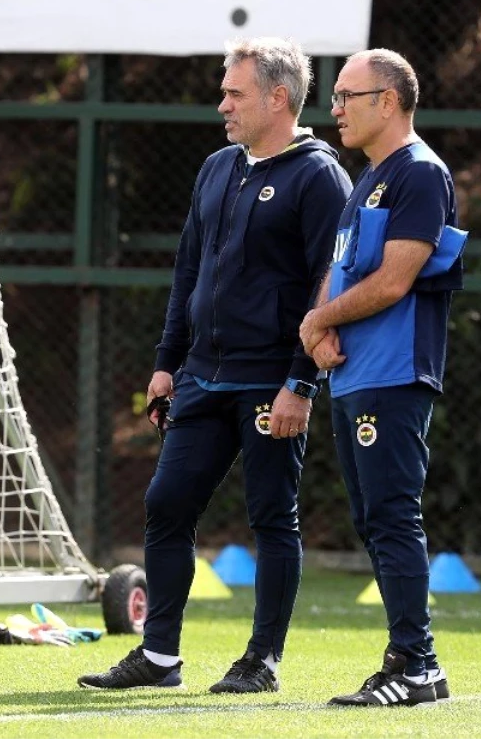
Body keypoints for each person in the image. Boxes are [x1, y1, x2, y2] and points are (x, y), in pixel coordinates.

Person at [78, 38, 351, 693]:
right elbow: (188, 272)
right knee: (166, 502)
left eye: (235, 93)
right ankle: (160, 658)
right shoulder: (216, 168)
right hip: (202, 373)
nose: (221, 104)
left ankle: (262, 661)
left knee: (269, 516)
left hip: (270, 380)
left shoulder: (319, 177)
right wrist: (167, 362)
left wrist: (299, 382)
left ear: (278, 98)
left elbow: (328, 286)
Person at [299, 48, 465, 707]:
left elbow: (394, 281)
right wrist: (322, 328)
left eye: (347, 95)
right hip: (355, 374)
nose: (334, 108)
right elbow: (344, 278)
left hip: (394, 372)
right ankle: (410, 661)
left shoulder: (419, 174)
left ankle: (416, 665)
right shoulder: (367, 179)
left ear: (388, 101)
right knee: (375, 518)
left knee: (392, 516)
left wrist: (317, 321)